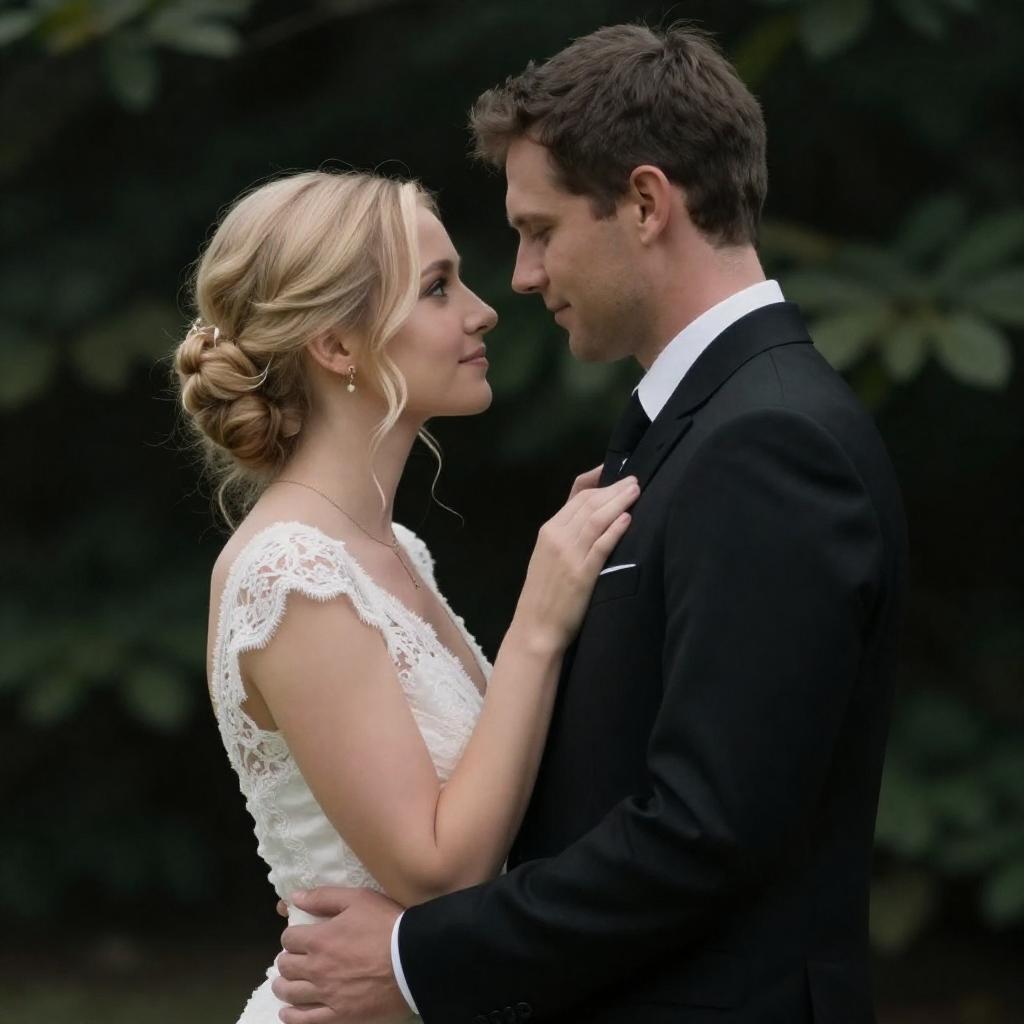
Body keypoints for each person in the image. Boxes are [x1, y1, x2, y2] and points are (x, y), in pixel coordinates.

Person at [272, 22, 909, 1024]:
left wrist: (413, 960)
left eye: (540, 230)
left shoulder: (770, 442)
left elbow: (703, 829)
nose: (521, 277)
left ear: (646, 204)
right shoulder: (699, 423)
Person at [173, 169, 640, 1024]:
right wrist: (539, 621)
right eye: (437, 288)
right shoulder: (290, 572)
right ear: (337, 347)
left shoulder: (395, 551)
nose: (483, 311)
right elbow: (437, 872)